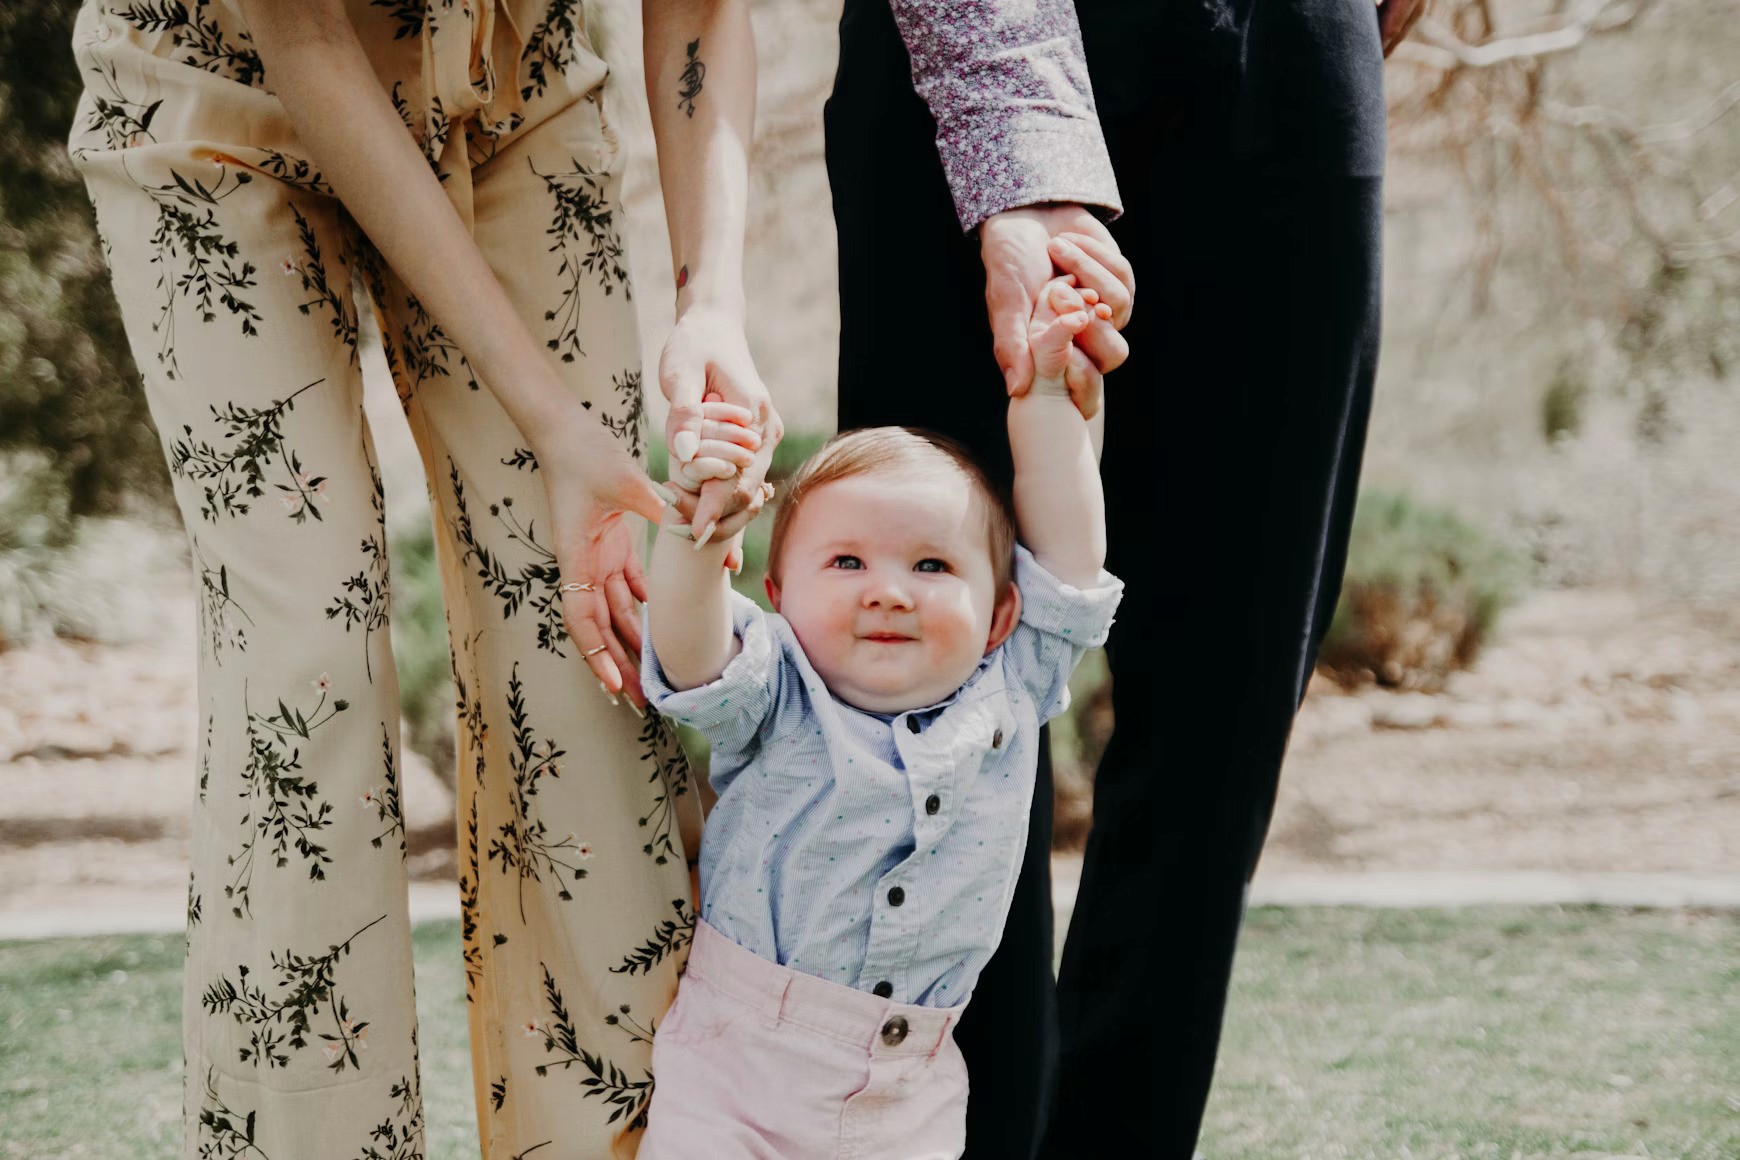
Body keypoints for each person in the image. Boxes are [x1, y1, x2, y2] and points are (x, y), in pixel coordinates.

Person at [65, 1, 775, 1155]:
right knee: (307, 659)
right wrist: (552, 422)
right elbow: (308, 48)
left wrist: (714, 306)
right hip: (217, 88)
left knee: (583, 635)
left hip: (515, 88)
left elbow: (700, 12)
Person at [826, 0, 1396, 1155]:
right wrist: (1018, 155)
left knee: (1222, 723)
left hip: (1284, 70)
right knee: (938, 703)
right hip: (962, 62)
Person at [634, 277, 1123, 1157]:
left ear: (1002, 616)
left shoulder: (1010, 685)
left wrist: (1046, 395)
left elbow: (1073, 562)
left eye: (933, 566)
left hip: (910, 1088)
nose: (889, 591)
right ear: (779, 598)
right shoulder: (779, 684)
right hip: (736, 1067)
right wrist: (696, 535)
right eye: (848, 561)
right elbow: (685, 650)